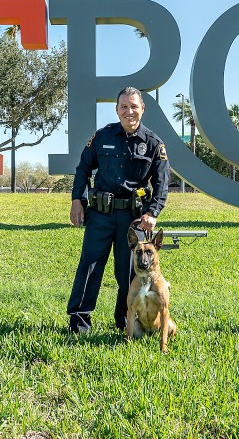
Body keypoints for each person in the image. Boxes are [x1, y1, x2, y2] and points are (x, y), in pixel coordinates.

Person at [66, 87, 169, 334]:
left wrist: (153, 212)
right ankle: (79, 321)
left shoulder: (154, 144)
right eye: (124, 107)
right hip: (100, 214)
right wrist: (77, 200)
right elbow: (83, 169)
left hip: (132, 219)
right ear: (117, 110)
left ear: (142, 108)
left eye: (134, 106)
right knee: (89, 266)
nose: (129, 111)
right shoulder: (102, 137)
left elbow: (162, 182)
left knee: (127, 271)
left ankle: (125, 320)